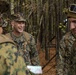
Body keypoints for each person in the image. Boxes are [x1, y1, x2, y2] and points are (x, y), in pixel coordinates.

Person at [56, 4, 76, 75]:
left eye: (75, 22)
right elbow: (61, 64)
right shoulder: (66, 39)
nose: (72, 27)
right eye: (71, 22)